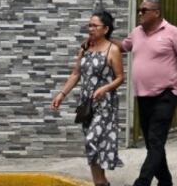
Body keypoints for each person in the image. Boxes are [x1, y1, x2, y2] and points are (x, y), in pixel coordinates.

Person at [119, 0, 177, 186]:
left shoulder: (172, 33)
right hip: (143, 96)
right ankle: (166, 182)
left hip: (166, 94)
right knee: (153, 143)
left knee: (155, 139)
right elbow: (122, 47)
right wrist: (100, 39)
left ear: (157, 13)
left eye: (144, 10)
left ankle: (142, 182)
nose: (140, 13)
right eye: (139, 10)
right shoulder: (136, 33)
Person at [51, 11, 125, 186]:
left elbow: (120, 77)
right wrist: (62, 94)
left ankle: (101, 181)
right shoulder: (84, 48)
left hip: (105, 105)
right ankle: (100, 182)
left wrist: (105, 88)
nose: (90, 29)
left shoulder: (112, 50)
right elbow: (76, 74)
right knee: (91, 143)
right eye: (89, 25)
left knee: (93, 139)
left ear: (105, 29)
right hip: (86, 104)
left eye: (95, 25)